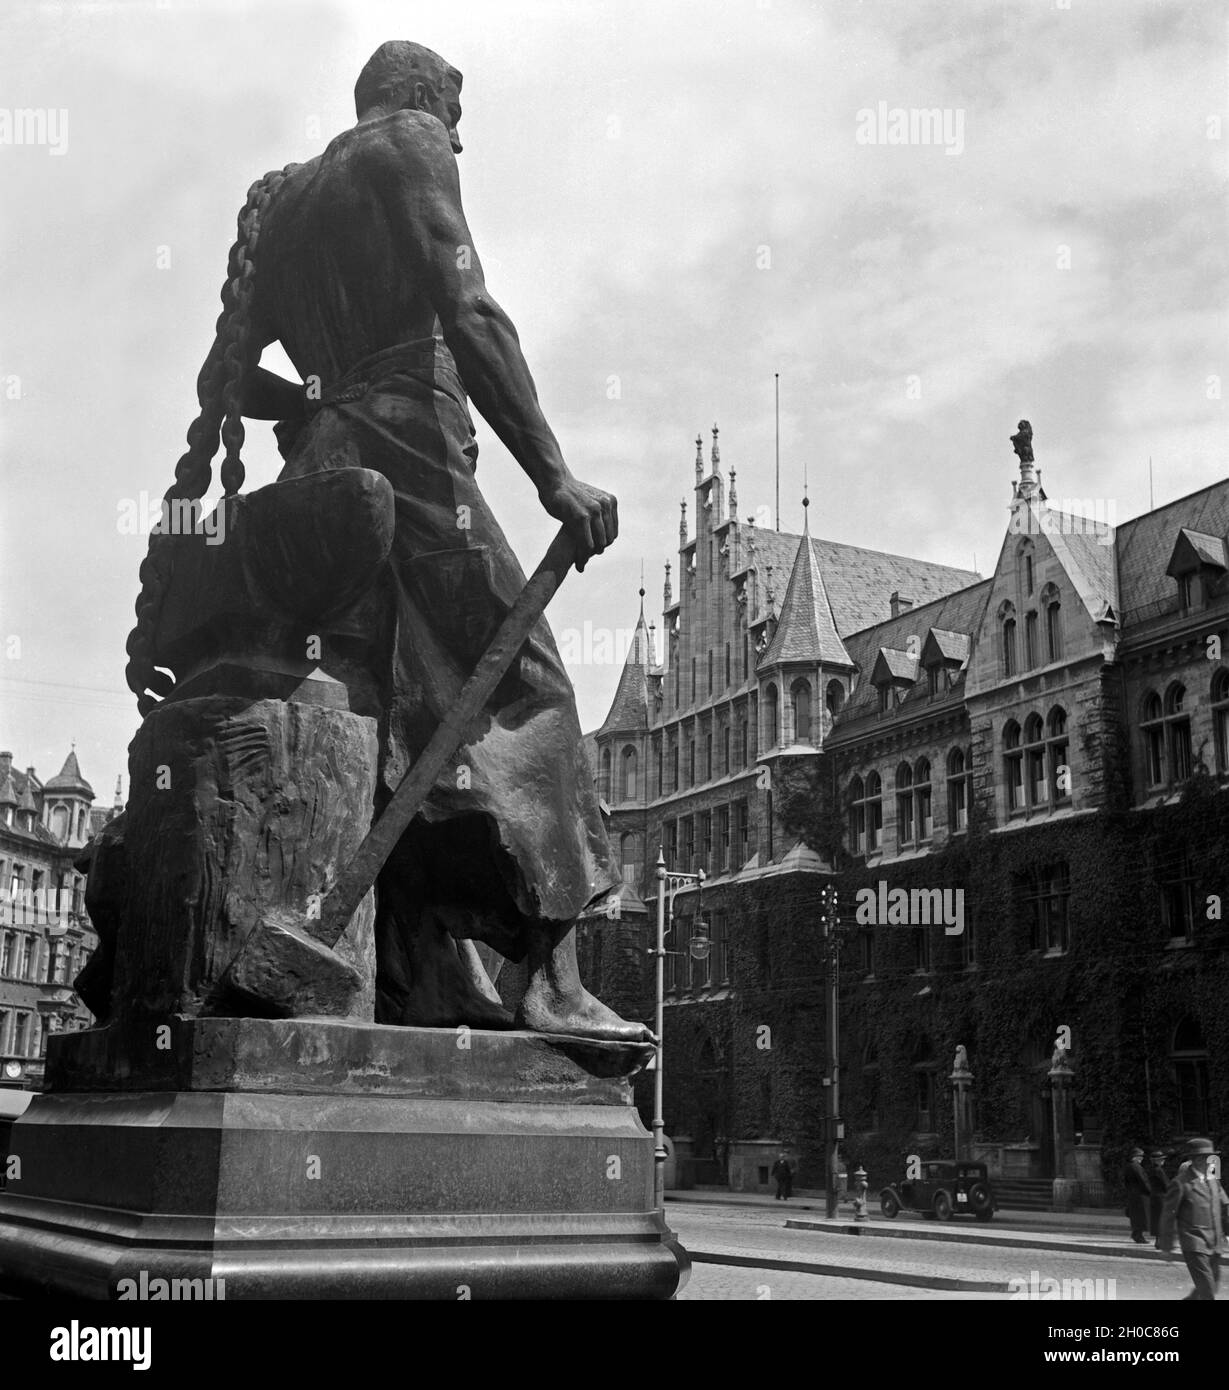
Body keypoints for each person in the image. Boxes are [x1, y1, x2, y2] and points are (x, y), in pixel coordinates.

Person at [124, 40, 648, 1042]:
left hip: (323, 473)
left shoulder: (284, 201)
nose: (458, 135)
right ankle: (551, 975)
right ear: (417, 98)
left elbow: (220, 387)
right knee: (529, 688)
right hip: (413, 461)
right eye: (456, 113)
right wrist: (552, 475)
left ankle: (424, 975)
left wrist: (323, 396)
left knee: (403, 720)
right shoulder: (404, 147)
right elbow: (472, 312)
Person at [1155, 1137, 1229, 1300]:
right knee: (1207, 1288)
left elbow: (1224, 1204)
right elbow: (1168, 1215)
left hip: (1214, 1241)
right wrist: (1166, 1246)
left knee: (1212, 1284)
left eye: (1210, 1157)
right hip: (1194, 1242)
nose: (1207, 1161)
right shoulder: (1181, 1183)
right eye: (1202, 1158)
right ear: (1193, 1160)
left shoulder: (1213, 1180)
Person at [1123, 1146, 1151, 1244]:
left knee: (1136, 1216)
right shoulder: (1136, 1167)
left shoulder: (1129, 1166)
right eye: (1140, 1156)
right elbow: (1143, 1181)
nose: (1142, 1158)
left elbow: (1126, 1182)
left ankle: (1137, 1234)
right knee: (1141, 1216)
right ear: (1135, 1157)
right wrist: (1150, 1191)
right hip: (1140, 1196)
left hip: (1133, 1195)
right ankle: (1138, 1235)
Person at [1147, 1148, 1169, 1239]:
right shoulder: (1159, 1170)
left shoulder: (1151, 1169)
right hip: (1161, 1197)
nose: (1163, 1161)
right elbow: (1166, 1184)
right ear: (1158, 1160)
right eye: (1162, 1159)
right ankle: (1160, 1240)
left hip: (1154, 1196)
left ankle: (1158, 1239)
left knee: (1156, 1218)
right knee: (1161, 1218)